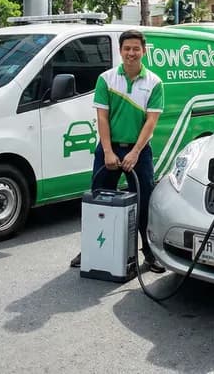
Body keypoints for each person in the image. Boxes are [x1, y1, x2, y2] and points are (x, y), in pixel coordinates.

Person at [71, 29, 166, 273]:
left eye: (136, 48)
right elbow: (102, 117)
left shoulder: (154, 83)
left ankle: (149, 253)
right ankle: (90, 249)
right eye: (127, 48)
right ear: (120, 50)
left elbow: (151, 122)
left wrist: (135, 152)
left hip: (139, 152)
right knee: (98, 201)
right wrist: (107, 151)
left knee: (144, 203)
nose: (131, 53)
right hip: (109, 149)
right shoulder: (106, 79)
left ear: (144, 51)